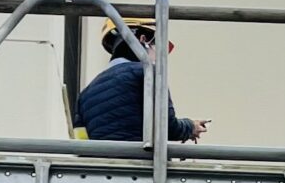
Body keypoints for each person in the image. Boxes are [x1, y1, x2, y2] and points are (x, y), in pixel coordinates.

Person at [74, 19, 206, 143]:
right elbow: (166, 127)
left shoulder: (85, 94)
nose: (157, 57)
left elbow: (81, 142)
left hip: (103, 161)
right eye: (156, 46)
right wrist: (190, 127)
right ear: (143, 40)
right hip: (139, 159)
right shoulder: (147, 73)